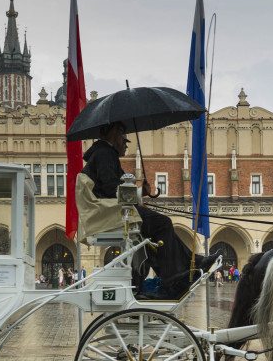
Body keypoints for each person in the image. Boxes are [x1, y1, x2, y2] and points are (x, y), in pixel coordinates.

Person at [82, 122, 217, 299]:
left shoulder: (103, 154)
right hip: (111, 213)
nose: (126, 144)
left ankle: (192, 263)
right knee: (162, 224)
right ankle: (172, 280)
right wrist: (139, 192)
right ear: (115, 134)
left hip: (111, 211)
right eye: (124, 139)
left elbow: (118, 188)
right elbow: (111, 190)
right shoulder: (104, 154)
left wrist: (141, 192)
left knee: (154, 235)